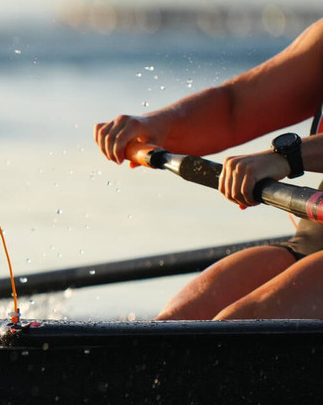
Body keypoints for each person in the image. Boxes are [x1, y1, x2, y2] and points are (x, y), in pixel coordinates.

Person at [94, 18, 323, 320]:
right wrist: (159, 125)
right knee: (176, 324)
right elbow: (234, 108)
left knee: (234, 327)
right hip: (313, 239)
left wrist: (286, 157)